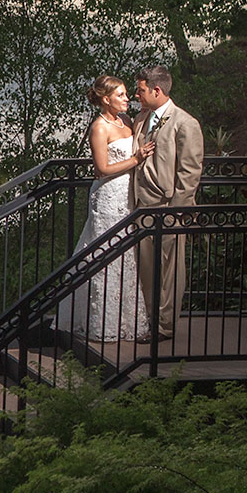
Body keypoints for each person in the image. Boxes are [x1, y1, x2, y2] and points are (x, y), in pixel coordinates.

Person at [58, 75, 149, 343]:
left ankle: (128, 321)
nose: (127, 99)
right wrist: (136, 159)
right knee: (106, 255)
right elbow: (101, 170)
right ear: (106, 99)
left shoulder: (127, 122)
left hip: (128, 197)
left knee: (127, 256)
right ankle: (103, 324)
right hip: (108, 197)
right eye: (121, 95)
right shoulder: (99, 128)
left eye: (126, 94)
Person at [130, 66, 204, 342]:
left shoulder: (185, 123)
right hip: (140, 207)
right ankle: (149, 321)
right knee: (148, 271)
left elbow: (189, 173)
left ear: (156, 90)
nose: (137, 95)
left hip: (166, 208)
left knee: (170, 272)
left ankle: (165, 327)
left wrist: (175, 211)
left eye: (140, 90)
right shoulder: (142, 118)